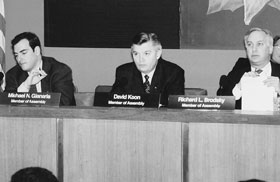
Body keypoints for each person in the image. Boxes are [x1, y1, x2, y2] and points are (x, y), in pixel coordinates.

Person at [111, 32, 185, 106]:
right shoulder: (124, 73)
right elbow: (113, 102)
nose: (140, 60)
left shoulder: (173, 73)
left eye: (146, 53)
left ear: (158, 53)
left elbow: (175, 108)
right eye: (136, 54)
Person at [5, 32, 76, 106]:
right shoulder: (13, 74)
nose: (19, 59)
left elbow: (63, 104)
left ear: (36, 51)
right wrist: (25, 86)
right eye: (16, 55)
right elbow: (6, 106)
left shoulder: (60, 71)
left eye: (23, 53)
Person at [217, 27, 280, 109]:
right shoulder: (237, 74)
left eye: (259, 44)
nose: (254, 49)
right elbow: (222, 105)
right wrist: (238, 88)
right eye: (250, 44)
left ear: (270, 49)